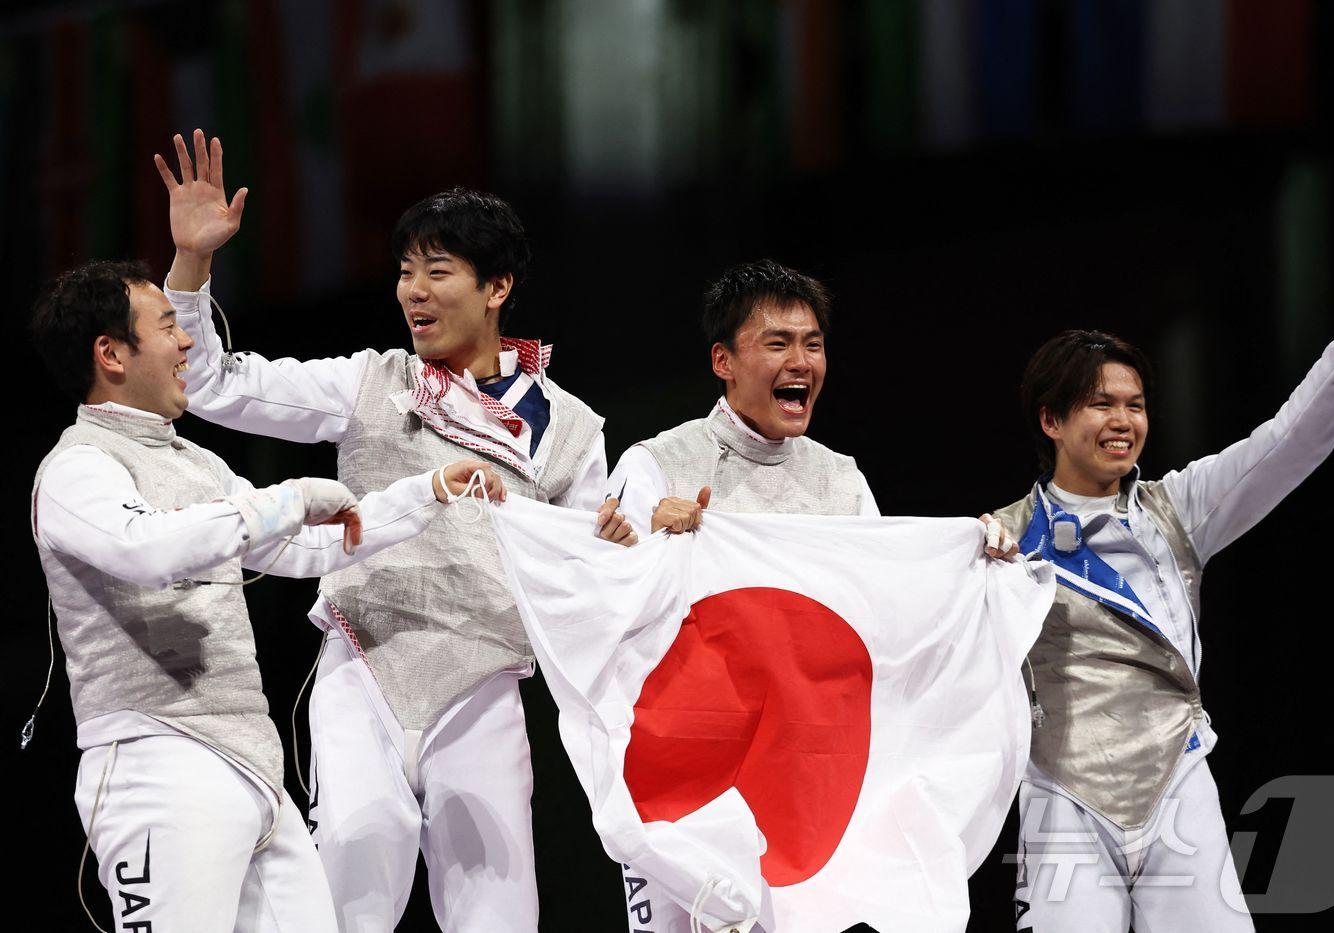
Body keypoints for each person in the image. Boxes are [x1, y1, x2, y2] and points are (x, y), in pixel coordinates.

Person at [154, 129, 634, 931]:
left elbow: (585, 585)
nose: (413, 289)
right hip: (362, 665)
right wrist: (191, 266)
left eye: (437, 271)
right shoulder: (371, 381)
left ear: (497, 286)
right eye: (406, 270)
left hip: (482, 683)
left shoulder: (571, 430)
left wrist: (616, 548)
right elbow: (210, 383)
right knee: (348, 879)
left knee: (501, 914)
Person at [29, 259, 502, 933]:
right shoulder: (75, 469)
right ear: (110, 353)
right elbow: (148, 550)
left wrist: (424, 493)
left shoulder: (196, 463)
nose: (186, 342)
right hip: (155, 766)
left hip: (251, 769)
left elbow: (303, 544)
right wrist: (283, 502)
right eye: (167, 326)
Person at [605, 258, 1017, 931]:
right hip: (684, 778)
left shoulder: (841, 481)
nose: (801, 360)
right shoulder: (657, 465)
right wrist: (644, 544)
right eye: (777, 343)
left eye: (813, 343)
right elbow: (609, 613)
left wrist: (968, 558)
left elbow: (888, 615)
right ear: (723, 360)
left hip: (798, 778)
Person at [992, 272, 1334, 932]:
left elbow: (1286, 443)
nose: (1123, 420)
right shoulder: (1000, 538)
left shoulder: (1176, 509)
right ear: (1052, 419)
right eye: (1101, 404)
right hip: (1065, 793)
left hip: (1178, 783)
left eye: (1136, 404)